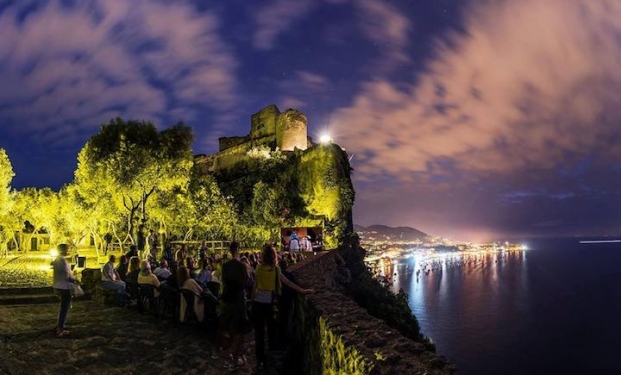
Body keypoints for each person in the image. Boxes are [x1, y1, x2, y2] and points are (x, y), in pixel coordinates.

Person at [212, 241, 248, 371]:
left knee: (223, 325)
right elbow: (246, 282)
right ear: (238, 249)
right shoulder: (241, 266)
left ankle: (216, 350)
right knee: (238, 330)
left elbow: (224, 281)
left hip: (227, 299)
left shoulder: (225, 266)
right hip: (238, 300)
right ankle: (234, 358)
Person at [51, 244, 76, 338]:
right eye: (67, 249)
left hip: (57, 286)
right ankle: (60, 328)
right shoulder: (62, 261)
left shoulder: (57, 260)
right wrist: (74, 280)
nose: (68, 251)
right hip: (64, 287)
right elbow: (67, 276)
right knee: (64, 309)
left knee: (63, 308)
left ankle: (59, 325)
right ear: (63, 250)